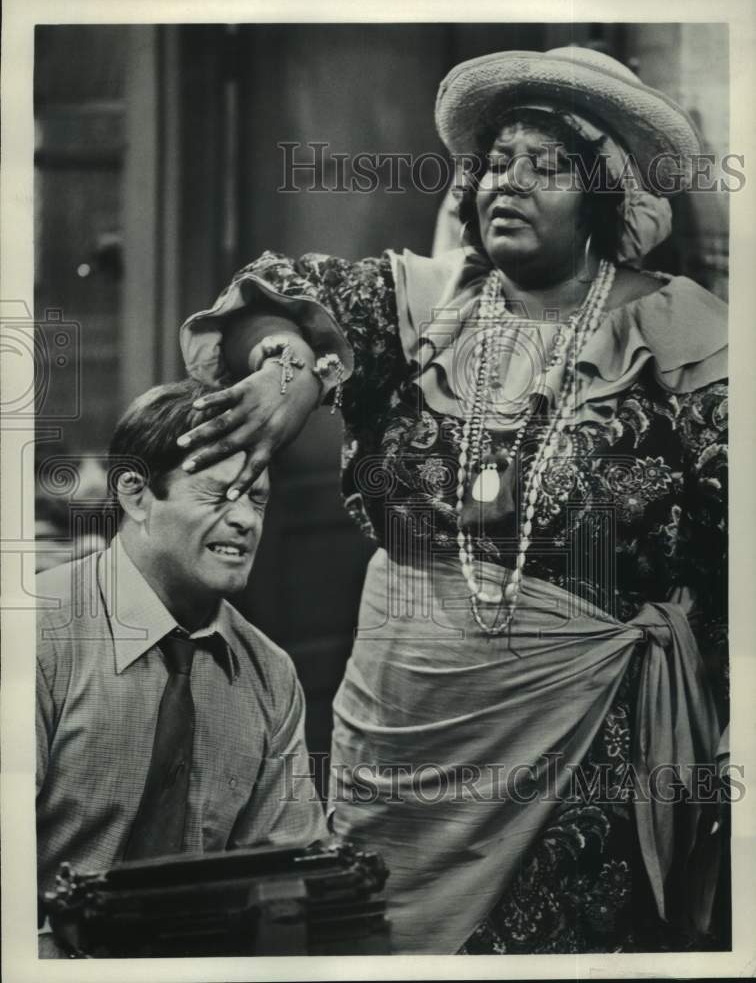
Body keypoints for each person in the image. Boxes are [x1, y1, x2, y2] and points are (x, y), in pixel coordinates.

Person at [177, 47, 728, 954]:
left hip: (575, 745)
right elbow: (290, 299)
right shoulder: (423, 306)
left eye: (547, 166)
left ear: (603, 197)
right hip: (396, 730)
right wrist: (286, 367)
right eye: (497, 163)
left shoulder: (684, 337)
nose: (508, 182)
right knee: (370, 942)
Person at [36, 379, 327, 956]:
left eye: (257, 498)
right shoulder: (36, 635)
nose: (246, 519)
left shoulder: (269, 674)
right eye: (220, 494)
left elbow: (284, 886)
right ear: (137, 495)